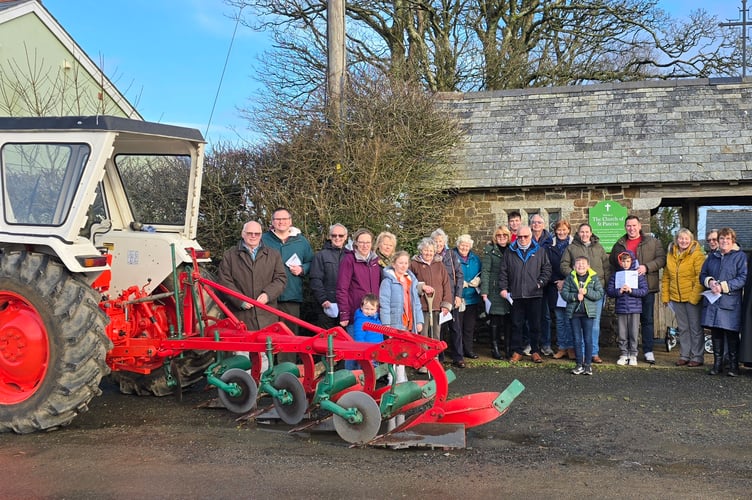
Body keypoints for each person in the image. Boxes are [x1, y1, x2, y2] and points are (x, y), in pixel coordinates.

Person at [609, 215, 666, 365]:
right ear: (625, 227)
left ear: (640, 226)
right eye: (628, 226)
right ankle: (625, 352)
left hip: (645, 286)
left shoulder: (652, 242)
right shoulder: (619, 244)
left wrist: (646, 267)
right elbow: (613, 263)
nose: (631, 228)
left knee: (647, 320)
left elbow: (661, 259)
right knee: (625, 323)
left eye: (634, 225)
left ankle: (647, 350)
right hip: (625, 292)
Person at [217, 220, 287, 331]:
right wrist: (240, 300)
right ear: (243, 234)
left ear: (261, 235)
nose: (253, 236)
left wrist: (268, 295)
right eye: (250, 233)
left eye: (257, 234)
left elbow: (281, 279)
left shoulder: (273, 255)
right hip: (240, 317)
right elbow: (224, 281)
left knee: (267, 347)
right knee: (241, 348)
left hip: (267, 316)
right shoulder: (229, 255)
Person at [499, 225, 552, 363]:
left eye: (525, 236)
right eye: (519, 237)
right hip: (516, 294)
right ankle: (517, 351)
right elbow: (503, 271)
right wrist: (503, 288)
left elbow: (547, 269)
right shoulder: (510, 252)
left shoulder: (540, 251)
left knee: (535, 325)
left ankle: (535, 351)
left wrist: (540, 283)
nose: (522, 239)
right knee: (517, 324)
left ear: (531, 236)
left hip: (534, 294)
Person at [700, 227, 748, 376]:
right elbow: (703, 274)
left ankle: (734, 366)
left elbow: (742, 278)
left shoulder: (740, 257)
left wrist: (724, 286)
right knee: (716, 334)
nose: (724, 241)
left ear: (732, 241)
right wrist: (711, 282)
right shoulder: (712, 257)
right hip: (714, 302)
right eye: (722, 239)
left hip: (730, 302)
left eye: (727, 239)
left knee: (732, 335)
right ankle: (717, 365)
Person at [561, 223, 610, 364]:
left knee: (594, 323)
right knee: (578, 324)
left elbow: (606, 268)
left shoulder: (599, 248)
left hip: (595, 291)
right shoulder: (571, 248)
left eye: (587, 232)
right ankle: (581, 353)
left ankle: (593, 352)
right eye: (582, 232)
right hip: (578, 292)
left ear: (591, 233)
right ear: (578, 233)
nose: (584, 234)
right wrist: (573, 277)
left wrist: (605, 286)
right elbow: (564, 265)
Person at [261, 207, 313, 334]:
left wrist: (302, 269)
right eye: (278, 219)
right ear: (272, 221)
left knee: (289, 336)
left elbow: (311, 262)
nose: (281, 222)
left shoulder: (301, 241)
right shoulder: (262, 240)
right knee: (267, 335)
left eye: (284, 219)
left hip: (291, 295)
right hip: (267, 296)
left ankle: (288, 356)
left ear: (290, 221)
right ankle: (268, 356)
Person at [661, 228, 706, 367]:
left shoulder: (697, 255)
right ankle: (685, 355)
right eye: (681, 238)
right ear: (677, 239)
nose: (684, 241)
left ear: (691, 240)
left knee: (695, 328)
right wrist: (665, 296)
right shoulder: (671, 254)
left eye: (686, 238)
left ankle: (697, 356)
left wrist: (693, 298)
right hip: (676, 297)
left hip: (692, 297)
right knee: (683, 328)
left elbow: (700, 277)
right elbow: (667, 276)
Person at [410, 237, 453, 369]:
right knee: (423, 335)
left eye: (431, 251)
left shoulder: (439, 265)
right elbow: (410, 283)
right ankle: (422, 362)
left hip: (436, 305)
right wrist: (421, 287)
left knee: (435, 334)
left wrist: (446, 303)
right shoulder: (414, 264)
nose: (428, 253)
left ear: (435, 251)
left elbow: (446, 284)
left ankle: (434, 361)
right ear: (421, 250)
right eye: (425, 250)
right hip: (421, 305)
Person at [562, 255, 604, 375]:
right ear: (574, 267)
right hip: (574, 313)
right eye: (578, 264)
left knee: (588, 339)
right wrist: (575, 297)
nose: (581, 266)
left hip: (588, 313)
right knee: (577, 339)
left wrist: (587, 292)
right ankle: (579, 364)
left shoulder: (593, 278)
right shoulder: (570, 278)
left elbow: (599, 293)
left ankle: (588, 365)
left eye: (583, 264)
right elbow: (565, 293)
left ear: (588, 266)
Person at [336, 228, 382, 331]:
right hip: (356, 314)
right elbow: (342, 289)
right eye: (361, 242)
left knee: (374, 344)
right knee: (359, 345)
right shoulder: (349, 260)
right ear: (356, 243)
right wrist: (344, 314)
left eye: (367, 242)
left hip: (374, 314)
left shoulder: (376, 261)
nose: (365, 246)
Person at [608, 250, 648, 366]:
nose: (625, 263)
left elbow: (644, 290)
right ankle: (624, 353)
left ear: (632, 261)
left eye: (628, 261)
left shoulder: (637, 276)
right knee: (622, 332)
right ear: (620, 262)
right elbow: (610, 291)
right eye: (623, 261)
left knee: (634, 332)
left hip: (634, 308)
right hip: (621, 308)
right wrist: (619, 291)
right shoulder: (616, 275)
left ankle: (633, 354)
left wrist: (632, 291)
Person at [432, 228, 464, 361]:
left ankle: (458, 357)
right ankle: (439, 357)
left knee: (455, 328)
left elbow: (460, 276)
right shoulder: (430, 255)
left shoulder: (451, 255)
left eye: (441, 241)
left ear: (445, 241)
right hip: (436, 298)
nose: (438, 243)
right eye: (436, 241)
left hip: (451, 296)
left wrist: (458, 295)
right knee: (439, 330)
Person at [481, 225, 512, 359]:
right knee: (495, 320)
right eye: (499, 236)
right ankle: (495, 348)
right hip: (494, 290)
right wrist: (484, 292)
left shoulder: (512, 250)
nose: (502, 238)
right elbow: (486, 272)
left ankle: (508, 347)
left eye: (504, 235)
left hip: (509, 290)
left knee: (508, 320)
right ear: (495, 237)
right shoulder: (490, 251)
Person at [309, 223, 348, 329]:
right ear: (330, 237)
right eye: (334, 235)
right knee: (327, 340)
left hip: (345, 306)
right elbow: (315, 280)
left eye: (340, 235)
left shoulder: (350, 256)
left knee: (345, 341)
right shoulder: (320, 255)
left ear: (345, 237)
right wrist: (323, 300)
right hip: (327, 305)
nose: (337, 238)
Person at [546, 220, 574, 360]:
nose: (562, 232)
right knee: (560, 320)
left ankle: (571, 348)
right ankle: (562, 347)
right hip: (554, 287)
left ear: (568, 230)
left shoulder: (574, 245)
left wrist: (566, 281)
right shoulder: (550, 246)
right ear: (555, 231)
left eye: (564, 229)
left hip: (571, 287)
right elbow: (546, 266)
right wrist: (556, 281)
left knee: (570, 319)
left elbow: (578, 266)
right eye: (559, 230)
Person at [380, 251, 424, 336]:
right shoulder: (387, 282)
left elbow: (416, 303)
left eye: (406, 263)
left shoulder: (411, 281)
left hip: (410, 323)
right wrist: (386, 324)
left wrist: (419, 321)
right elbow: (384, 304)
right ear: (393, 264)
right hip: (395, 323)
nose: (403, 266)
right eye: (400, 263)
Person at [454, 234, 482, 362]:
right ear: (458, 245)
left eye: (467, 245)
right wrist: (458, 283)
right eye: (462, 244)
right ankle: (457, 352)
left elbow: (482, 272)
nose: (464, 247)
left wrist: (479, 280)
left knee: (469, 327)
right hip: (458, 298)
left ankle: (468, 350)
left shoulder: (475, 259)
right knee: (457, 327)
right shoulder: (452, 257)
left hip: (472, 298)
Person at [530, 214, 554, 355]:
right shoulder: (526, 238)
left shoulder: (550, 241)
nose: (536, 225)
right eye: (534, 222)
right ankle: (530, 344)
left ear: (544, 225)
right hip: (528, 284)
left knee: (545, 316)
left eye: (539, 222)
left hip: (546, 284)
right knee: (529, 316)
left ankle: (546, 344)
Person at [345, 294, 384, 370]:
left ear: (376, 309)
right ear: (362, 307)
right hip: (367, 352)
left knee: (375, 371)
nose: (369, 312)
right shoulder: (360, 320)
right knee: (366, 371)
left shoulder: (376, 319)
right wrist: (363, 351)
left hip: (376, 350)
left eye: (372, 309)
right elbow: (359, 337)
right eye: (366, 308)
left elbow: (379, 334)